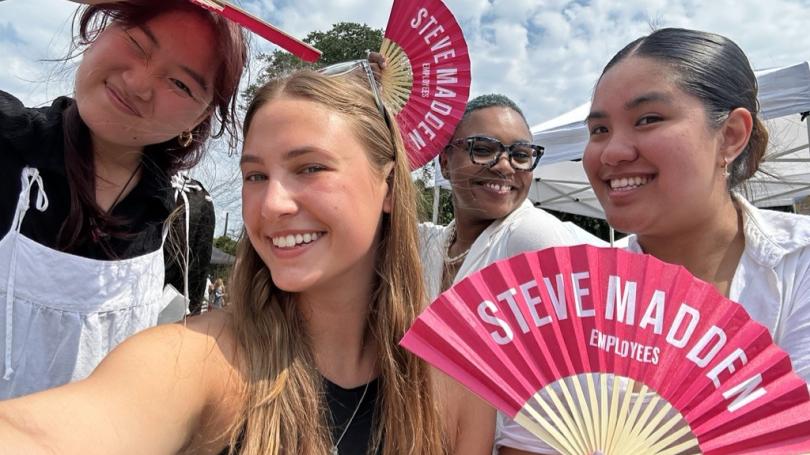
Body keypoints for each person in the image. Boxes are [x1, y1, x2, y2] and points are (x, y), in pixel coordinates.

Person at [0, 66, 494, 454]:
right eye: (255, 175)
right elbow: (47, 434)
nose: (272, 204)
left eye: (310, 167)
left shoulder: (454, 386)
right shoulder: (199, 362)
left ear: (388, 186)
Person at [497, 27, 810, 454]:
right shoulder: (573, 296)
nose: (612, 152)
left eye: (648, 119)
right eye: (599, 130)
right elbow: (525, 445)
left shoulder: (798, 265)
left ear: (732, 135)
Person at [0, 0, 246, 399]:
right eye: (136, 43)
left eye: (181, 84)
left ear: (199, 120)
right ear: (98, 32)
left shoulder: (187, 213)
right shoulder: (7, 142)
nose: (139, 84)